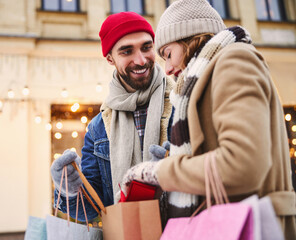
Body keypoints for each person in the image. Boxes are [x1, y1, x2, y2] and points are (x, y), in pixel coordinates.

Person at [120, 0, 296, 238]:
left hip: (252, 226)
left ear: (188, 38)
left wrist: (159, 171)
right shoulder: (204, 79)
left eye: (168, 54)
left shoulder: (234, 61)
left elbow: (242, 165)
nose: (169, 69)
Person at [51, 12, 174, 221]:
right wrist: (69, 190)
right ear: (110, 59)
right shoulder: (99, 127)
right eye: (127, 51)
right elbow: (92, 211)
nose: (141, 60)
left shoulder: (182, 102)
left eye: (146, 47)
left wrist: (172, 173)